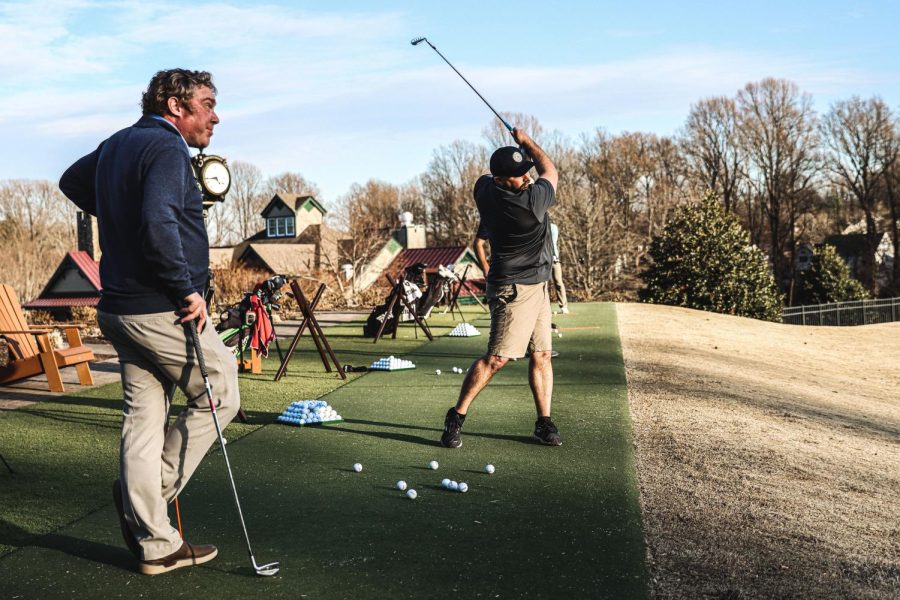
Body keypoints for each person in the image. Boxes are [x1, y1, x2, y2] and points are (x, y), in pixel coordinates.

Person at [59, 69, 240, 575]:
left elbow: (71, 180)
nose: (215, 115)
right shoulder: (165, 149)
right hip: (163, 306)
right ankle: (144, 503)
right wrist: (184, 286)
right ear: (175, 104)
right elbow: (159, 220)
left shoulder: (119, 143)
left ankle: (156, 546)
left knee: (144, 419)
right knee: (222, 390)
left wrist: (116, 209)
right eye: (206, 103)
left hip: (119, 306)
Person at [441, 129, 561, 448]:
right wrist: (527, 142)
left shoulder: (483, 189)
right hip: (514, 289)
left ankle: (544, 422)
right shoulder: (531, 204)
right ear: (500, 180)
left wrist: (516, 155)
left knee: (543, 354)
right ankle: (456, 416)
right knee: (496, 359)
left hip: (538, 285)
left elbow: (495, 174)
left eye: (526, 173)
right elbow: (550, 169)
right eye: (519, 176)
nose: (526, 179)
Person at [549, 220, 569, 314]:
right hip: (542, 260)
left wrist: (554, 256)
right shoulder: (538, 228)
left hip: (554, 259)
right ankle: (543, 308)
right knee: (542, 284)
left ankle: (563, 306)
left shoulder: (553, 227)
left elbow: (552, 243)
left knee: (558, 282)